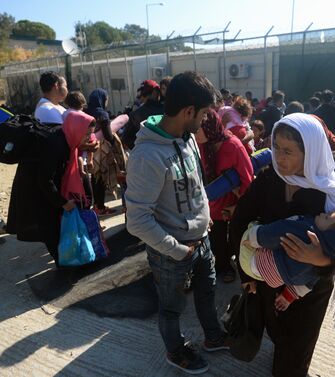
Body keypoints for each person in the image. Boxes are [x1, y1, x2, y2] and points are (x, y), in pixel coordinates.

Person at [231, 113, 335, 377]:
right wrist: (245, 274)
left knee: (294, 356)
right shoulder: (268, 179)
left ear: (310, 152)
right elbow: (240, 219)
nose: (279, 157)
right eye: (275, 147)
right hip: (267, 281)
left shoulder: (332, 195)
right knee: (277, 334)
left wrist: (322, 259)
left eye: (288, 151)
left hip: (309, 293)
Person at [125, 72, 228, 375]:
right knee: (171, 308)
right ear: (188, 112)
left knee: (207, 293)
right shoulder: (147, 156)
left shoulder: (188, 139)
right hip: (172, 253)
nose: (207, 120)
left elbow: (197, 187)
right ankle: (175, 350)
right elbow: (137, 220)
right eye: (205, 113)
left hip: (202, 241)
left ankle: (213, 337)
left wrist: (206, 220)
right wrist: (176, 249)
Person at [239, 207, 335, 311]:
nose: (325, 212)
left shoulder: (306, 231)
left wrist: (253, 237)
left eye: (328, 217)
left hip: (251, 261)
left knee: (253, 226)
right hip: (270, 277)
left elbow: (275, 233)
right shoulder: (324, 264)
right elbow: (308, 285)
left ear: (331, 236)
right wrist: (288, 296)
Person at [6, 111, 96, 266]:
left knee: (53, 223)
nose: (89, 138)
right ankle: (64, 264)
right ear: (76, 129)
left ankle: (67, 261)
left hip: (43, 184)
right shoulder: (56, 144)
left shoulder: (66, 136)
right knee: (49, 226)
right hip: (34, 187)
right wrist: (62, 202)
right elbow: (44, 179)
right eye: (86, 134)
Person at [195, 109, 253, 283]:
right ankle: (223, 266)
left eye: (198, 129)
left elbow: (247, 179)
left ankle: (237, 267)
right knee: (216, 237)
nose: (194, 133)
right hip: (214, 202)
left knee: (236, 236)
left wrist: (239, 206)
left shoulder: (233, 146)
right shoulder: (202, 144)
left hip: (235, 201)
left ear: (210, 128)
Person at [86, 89, 124, 216]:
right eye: (106, 99)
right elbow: (108, 135)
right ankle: (100, 207)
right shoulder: (102, 114)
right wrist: (116, 144)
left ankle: (97, 206)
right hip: (100, 151)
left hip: (88, 149)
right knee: (101, 178)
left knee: (94, 178)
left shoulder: (86, 112)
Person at [121, 80, 164, 150]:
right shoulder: (168, 111)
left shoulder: (135, 114)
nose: (141, 98)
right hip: (168, 154)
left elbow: (126, 139)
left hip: (145, 155)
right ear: (155, 93)